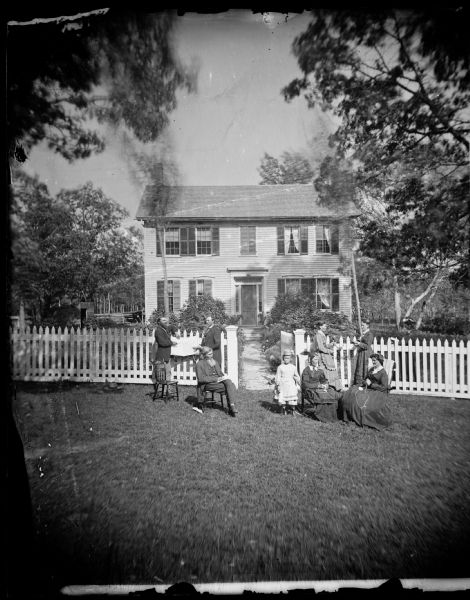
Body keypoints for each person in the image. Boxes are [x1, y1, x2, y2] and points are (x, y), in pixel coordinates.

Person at [339, 353, 392, 431]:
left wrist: (372, 384)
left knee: (363, 401)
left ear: (380, 361)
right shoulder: (372, 370)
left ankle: (360, 418)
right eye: (372, 361)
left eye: (375, 361)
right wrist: (365, 382)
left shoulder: (383, 373)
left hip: (378, 392)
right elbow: (365, 379)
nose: (373, 362)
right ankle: (349, 416)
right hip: (367, 388)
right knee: (351, 393)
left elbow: (384, 387)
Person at [195, 346, 238, 417]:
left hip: (218, 381)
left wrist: (223, 376)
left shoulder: (215, 362)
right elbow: (200, 379)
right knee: (231, 386)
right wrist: (216, 379)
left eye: (212, 354)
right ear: (204, 355)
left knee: (229, 382)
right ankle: (231, 407)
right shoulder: (199, 364)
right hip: (208, 384)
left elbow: (220, 373)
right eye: (209, 354)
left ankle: (232, 405)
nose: (211, 356)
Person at [301, 352, 342, 422]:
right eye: (315, 359)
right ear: (310, 360)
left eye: (317, 359)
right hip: (310, 389)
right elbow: (305, 384)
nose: (316, 361)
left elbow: (324, 380)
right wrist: (318, 385)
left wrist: (325, 385)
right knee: (323, 395)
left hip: (320, 388)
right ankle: (322, 415)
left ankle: (332, 415)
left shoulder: (320, 370)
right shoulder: (306, 370)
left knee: (332, 393)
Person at [313, 322, 343, 392]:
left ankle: (332, 387)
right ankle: (326, 387)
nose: (326, 327)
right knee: (324, 371)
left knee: (330, 370)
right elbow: (320, 348)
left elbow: (324, 346)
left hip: (325, 355)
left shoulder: (322, 334)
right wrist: (329, 351)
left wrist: (331, 344)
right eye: (324, 326)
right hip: (322, 356)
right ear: (320, 327)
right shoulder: (318, 335)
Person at [150, 316, 179, 381]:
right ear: (159, 322)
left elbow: (172, 326)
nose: (166, 321)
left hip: (166, 356)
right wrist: (172, 343)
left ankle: (167, 389)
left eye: (166, 320)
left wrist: (176, 332)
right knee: (162, 375)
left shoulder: (164, 328)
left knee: (168, 373)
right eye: (163, 320)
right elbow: (162, 343)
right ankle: (161, 390)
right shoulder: (158, 331)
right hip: (161, 356)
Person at [274, 349, 300, 415]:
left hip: (290, 383)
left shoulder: (293, 367)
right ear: (283, 358)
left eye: (288, 358)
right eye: (285, 358)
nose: (286, 360)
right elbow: (278, 376)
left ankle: (292, 409)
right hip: (283, 383)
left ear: (290, 359)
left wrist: (297, 380)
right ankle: (284, 408)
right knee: (282, 396)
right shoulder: (280, 367)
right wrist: (278, 383)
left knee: (292, 395)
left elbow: (296, 375)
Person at [352, 320, 373, 386]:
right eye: (361, 325)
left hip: (366, 354)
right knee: (360, 368)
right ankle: (359, 384)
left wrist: (359, 343)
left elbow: (367, 346)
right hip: (361, 353)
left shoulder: (369, 334)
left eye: (363, 325)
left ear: (367, 325)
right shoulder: (364, 334)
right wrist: (356, 342)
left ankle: (365, 384)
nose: (361, 326)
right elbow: (361, 341)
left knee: (365, 368)